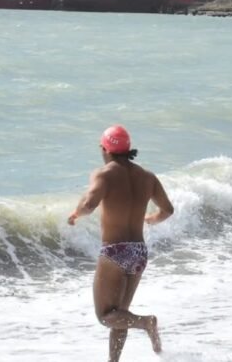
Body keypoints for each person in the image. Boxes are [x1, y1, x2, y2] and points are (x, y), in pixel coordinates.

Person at [68, 125, 174, 361]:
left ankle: (146, 323)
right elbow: (167, 210)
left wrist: (76, 214)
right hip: (139, 252)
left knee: (106, 315)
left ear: (105, 149)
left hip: (115, 252)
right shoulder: (147, 176)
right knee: (120, 314)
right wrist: (149, 219)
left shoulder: (104, 174)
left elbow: (89, 204)